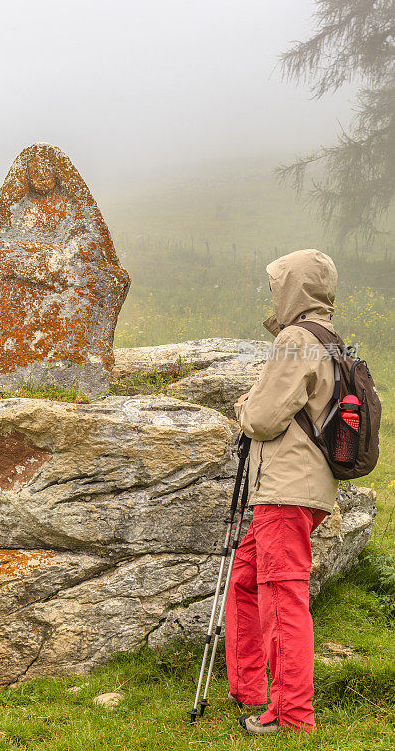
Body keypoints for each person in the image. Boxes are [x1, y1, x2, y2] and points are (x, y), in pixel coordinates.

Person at [225, 248, 339, 735]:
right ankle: (249, 688)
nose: (273, 291)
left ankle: (292, 715)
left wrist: (243, 406)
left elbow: (265, 418)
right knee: (246, 582)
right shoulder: (329, 339)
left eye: (278, 283)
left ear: (294, 287)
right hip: (298, 490)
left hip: (285, 493)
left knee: (281, 598)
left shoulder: (297, 339)